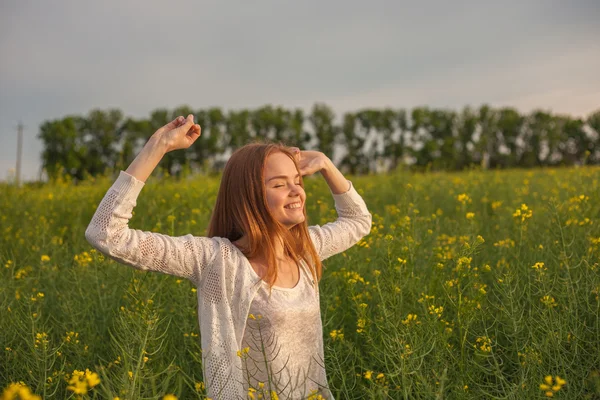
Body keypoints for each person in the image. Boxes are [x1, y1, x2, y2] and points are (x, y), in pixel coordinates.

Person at [85, 114, 372, 399]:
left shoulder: (303, 252)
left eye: (297, 180)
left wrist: (324, 163)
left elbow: (358, 220)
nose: (297, 190)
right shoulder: (217, 261)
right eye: (279, 184)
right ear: (249, 197)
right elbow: (106, 233)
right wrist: (157, 146)